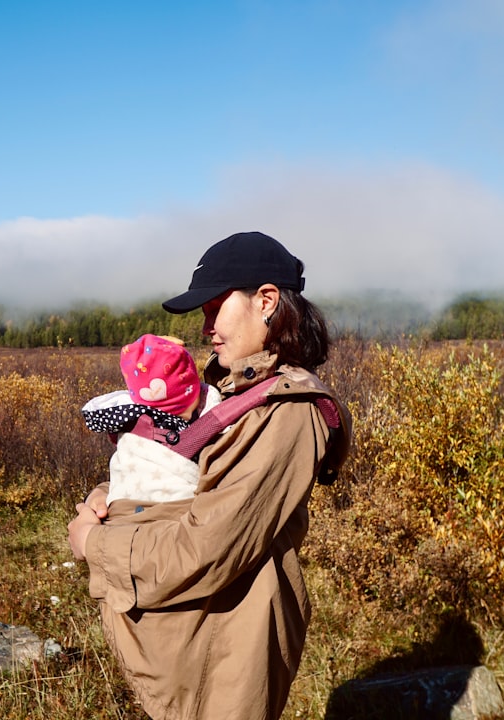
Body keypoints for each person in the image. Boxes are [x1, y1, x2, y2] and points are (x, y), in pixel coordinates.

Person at [68, 231, 351, 720]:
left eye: (214, 308)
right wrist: (110, 495)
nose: (205, 328)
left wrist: (95, 544)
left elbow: (209, 546)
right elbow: (187, 475)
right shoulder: (235, 393)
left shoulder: (288, 411)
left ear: (266, 301)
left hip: (230, 649)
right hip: (203, 639)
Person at [81, 333, 220, 504]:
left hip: (123, 500)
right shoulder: (196, 421)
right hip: (173, 503)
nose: (189, 415)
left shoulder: (126, 416)